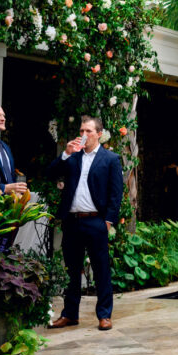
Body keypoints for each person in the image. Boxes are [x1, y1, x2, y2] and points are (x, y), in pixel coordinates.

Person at [45, 116, 124, 332]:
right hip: (72, 221)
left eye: (88, 131)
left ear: (99, 133)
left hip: (96, 221)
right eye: (82, 131)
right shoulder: (72, 157)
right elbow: (50, 173)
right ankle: (70, 314)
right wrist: (65, 154)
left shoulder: (110, 159)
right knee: (72, 271)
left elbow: (116, 194)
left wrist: (108, 221)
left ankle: (104, 315)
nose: (84, 135)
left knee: (101, 270)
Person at [0, 109, 23, 193]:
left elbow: (11, 176)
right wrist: (3, 189)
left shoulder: (5, 146)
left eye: (4, 116)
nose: (3, 119)